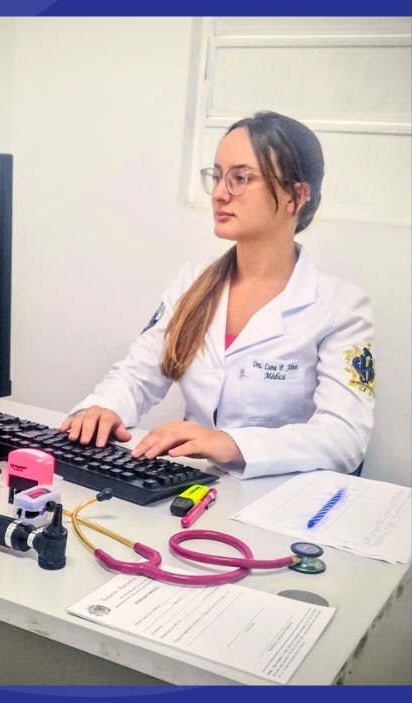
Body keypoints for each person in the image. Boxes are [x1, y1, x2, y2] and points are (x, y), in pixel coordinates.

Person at [59, 111, 374, 480]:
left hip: (282, 495)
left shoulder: (340, 307)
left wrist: (231, 443)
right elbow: (137, 376)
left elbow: (345, 439)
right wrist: (103, 408)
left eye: (241, 178)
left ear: (296, 195)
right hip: (194, 487)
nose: (220, 194)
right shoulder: (193, 283)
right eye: (218, 176)